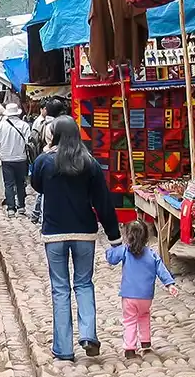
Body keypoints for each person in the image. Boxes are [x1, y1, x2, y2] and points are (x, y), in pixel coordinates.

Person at [31, 115, 121, 361]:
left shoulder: (44, 162)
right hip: (84, 233)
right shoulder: (89, 163)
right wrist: (114, 236)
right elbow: (103, 201)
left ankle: (63, 348)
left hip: (54, 234)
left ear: (55, 134)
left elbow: (36, 185)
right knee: (84, 284)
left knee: (60, 289)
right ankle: (89, 335)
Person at [106, 220, 178, 359]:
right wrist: (169, 284)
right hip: (146, 297)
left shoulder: (125, 251)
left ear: (127, 236)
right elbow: (161, 269)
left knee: (129, 320)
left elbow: (111, 258)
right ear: (146, 237)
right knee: (144, 316)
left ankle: (129, 348)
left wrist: (111, 248)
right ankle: (145, 342)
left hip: (129, 296)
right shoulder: (152, 254)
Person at [0, 103, 31, 217]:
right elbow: (29, 142)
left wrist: (0, 155)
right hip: (21, 159)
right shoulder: (24, 125)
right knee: (20, 183)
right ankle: (22, 206)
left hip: (6, 159)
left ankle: (11, 208)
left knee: (8, 183)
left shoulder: (0, 126)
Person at [31, 102, 65, 224]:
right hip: (52, 156)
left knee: (44, 190)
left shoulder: (43, 123)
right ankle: (41, 217)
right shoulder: (55, 125)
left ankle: (38, 215)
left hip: (45, 156)